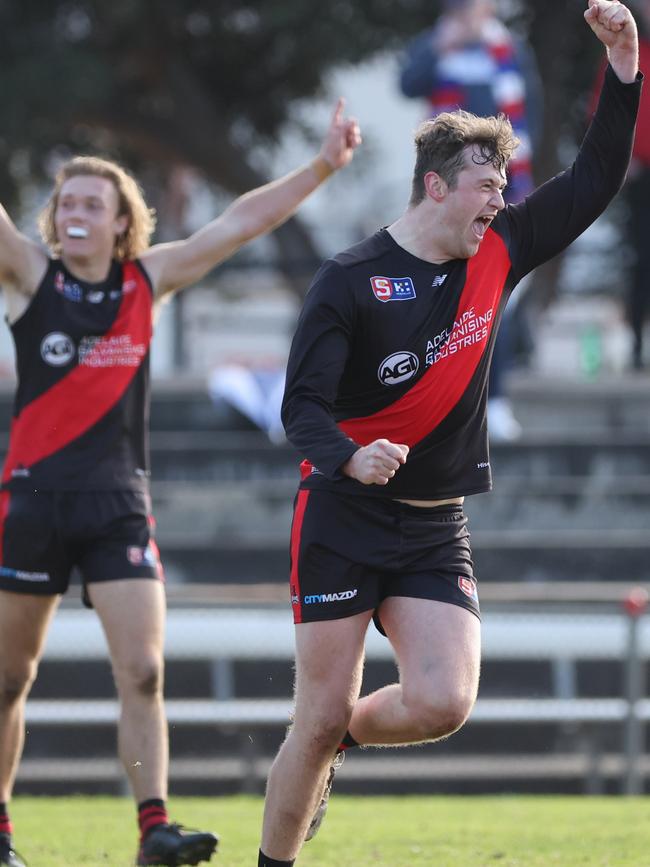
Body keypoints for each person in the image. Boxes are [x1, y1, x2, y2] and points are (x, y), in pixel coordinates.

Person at [258, 3, 640, 865]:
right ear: (435, 185)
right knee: (311, 717)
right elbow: (300, 411)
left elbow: (595, 177)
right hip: (343, 511)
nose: (501, 199)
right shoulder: (349, 280)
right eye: (485, 183)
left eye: (504, 186)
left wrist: (624, 70)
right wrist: (350, 454)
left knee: (443, 701)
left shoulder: (499, 246)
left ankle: (336, 744)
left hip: (435, 521)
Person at [0, 100, 361, 867]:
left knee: (144, 669)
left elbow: (236, 224)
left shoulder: (146, 281)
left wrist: (324, 165)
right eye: (65, 202)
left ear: (121, 221)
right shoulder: (31, 275)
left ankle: (153, 828)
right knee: (7, 678)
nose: (74, 213)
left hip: (118, 506)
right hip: (31, 500)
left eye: (91, 204)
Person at [399, 0, 543, 441]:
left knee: (493, 298)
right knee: (441, 301)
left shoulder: (509, 48)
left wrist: (519, 179)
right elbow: (409, 83)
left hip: (501, 192)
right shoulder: (435, 45)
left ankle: (492, 401)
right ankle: (436, 400)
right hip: (445, 194)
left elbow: (529, 112)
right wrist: (443, 46)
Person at [592, 0, 650, 369]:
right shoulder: (629, 50)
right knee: (641, 259)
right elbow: (606, 107)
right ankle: (637, 345)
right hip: (642, 173)